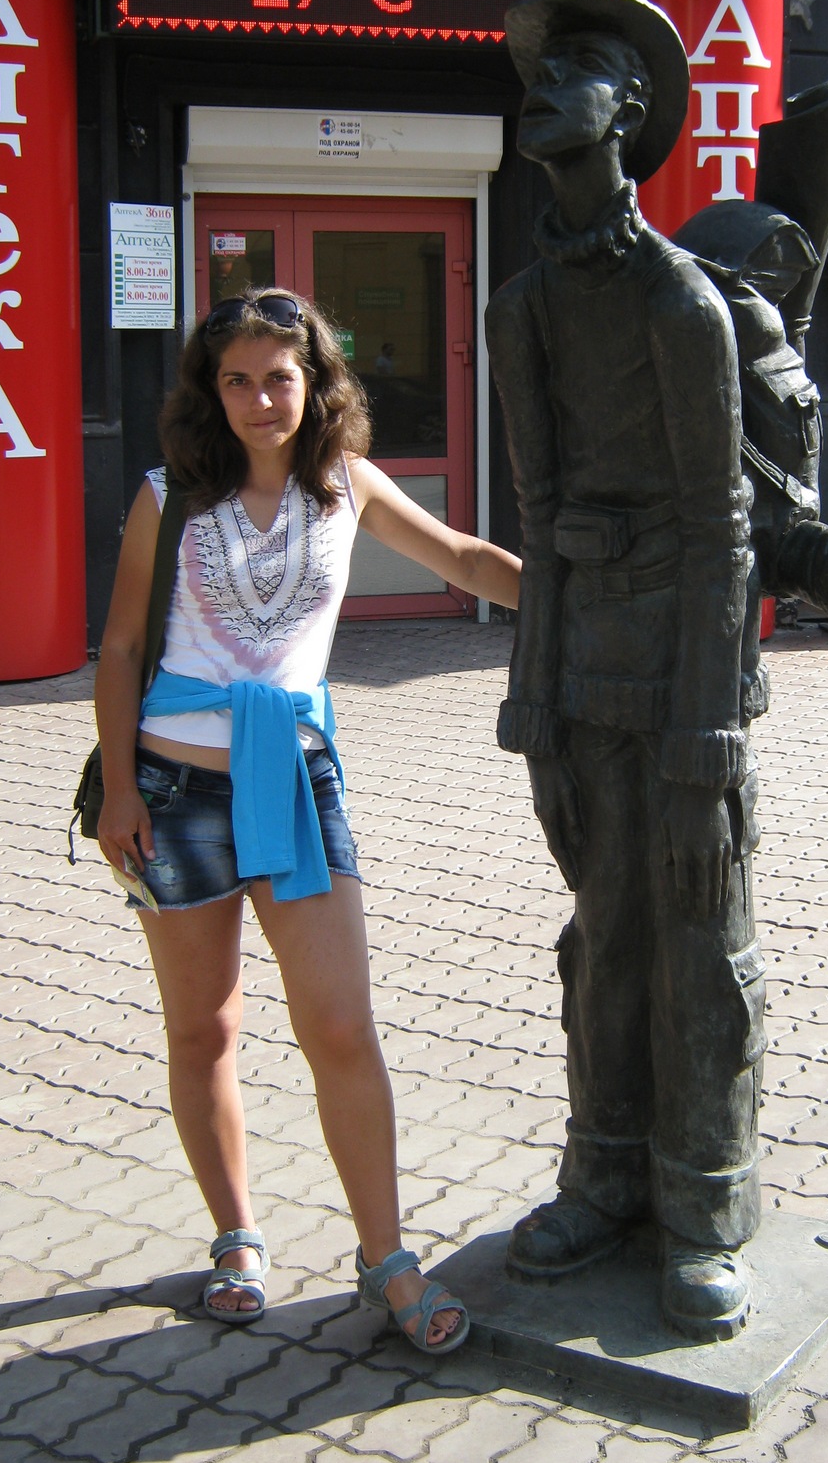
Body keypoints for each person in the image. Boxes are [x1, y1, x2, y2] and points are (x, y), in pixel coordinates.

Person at [94, 288, 520, 1351]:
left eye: (278, 378)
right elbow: (120, 648)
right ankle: (236, 1236)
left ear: (315, 384)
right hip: (173, 795)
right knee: (204, 1027)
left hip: (295, 781)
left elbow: (464, 560)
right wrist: (118, 790)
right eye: (235, 380)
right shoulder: (167, 498)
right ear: (211, 392)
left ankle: (388, 1259)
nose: (258, 400)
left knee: (339, 1024)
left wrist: (591, 597)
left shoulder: (347, 486)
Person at [485, 0, 764, 1341]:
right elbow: (539, 524)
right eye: (539, 73)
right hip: (585, 670)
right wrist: (533, 709)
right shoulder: (522, 308)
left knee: (700, 943)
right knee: (604, 939)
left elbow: (724, 529)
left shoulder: (679, 301)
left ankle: (704, 1203)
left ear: (631, 113)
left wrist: (709, 739)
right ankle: (603, 1175)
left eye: (581, 71)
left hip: (683, 675)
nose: (545, 89)